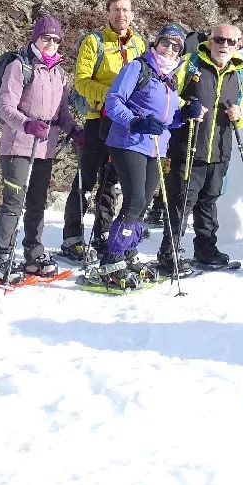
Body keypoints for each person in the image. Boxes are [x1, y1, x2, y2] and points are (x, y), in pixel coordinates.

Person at [91, 23, 193, 288]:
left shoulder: (171, 78)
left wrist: (184, 116)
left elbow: (166, 120)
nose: (169, 49)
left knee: (144, 202)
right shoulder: (138, 67)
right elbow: (113, 102)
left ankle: (128, 251)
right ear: (156, 43)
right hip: (128, 141)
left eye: (176, 46)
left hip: (155, 146)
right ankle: (111, 257)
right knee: (135, 200)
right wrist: (136, 122)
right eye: (166, 43)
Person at [0, 16, 78, 284]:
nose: (50, 43)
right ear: (35, 38)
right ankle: (4, 256)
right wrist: (26, 124)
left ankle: (33, 254)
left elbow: (60, 113)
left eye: (55, 40)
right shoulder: (19, 65)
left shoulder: (58, 72)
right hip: (18, 146)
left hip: (45, 148)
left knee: (37, 204)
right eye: (45, 38)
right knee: (14, 204)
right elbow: (4, 107)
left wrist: (74, 130)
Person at [60, 0, 146, 263]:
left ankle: (104, 232)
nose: (121, 14)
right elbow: (81, 82)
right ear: (107, 13)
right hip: (99, 117)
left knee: (113, 179)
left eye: (126, 9)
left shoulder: (139, 44)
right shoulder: (93, 42)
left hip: (123, 123)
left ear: (132, 14)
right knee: (86, 177)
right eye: (116, 9)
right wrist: (113, 93)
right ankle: (72, 237)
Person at [159, 23, 243, 275]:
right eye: (219, 40)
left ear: (238, 44)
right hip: (188, 145)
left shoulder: (239, 73)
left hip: (219, 149)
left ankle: (206, 249)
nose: (224, 46)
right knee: (182, 201)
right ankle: (170, 251)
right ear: (209, 40)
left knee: (209, 200)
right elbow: (166, 93)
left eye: (231, 42)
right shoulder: (190, 63)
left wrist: (239, 114)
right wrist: (188, 106)